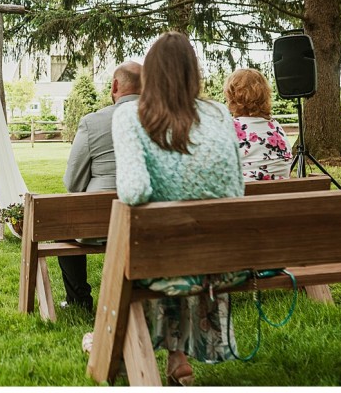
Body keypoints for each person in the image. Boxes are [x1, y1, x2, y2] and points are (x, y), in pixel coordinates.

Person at [109, 32, 244, 386]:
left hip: (164, 261)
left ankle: (119, 352)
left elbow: (134, 191)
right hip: (225, 263)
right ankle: (177, 357)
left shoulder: (131, 116)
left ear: (150, 74)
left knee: (141, 249)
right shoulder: (219, 114)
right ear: (193, 73)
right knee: (177, 243)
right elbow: (236, 188)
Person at [58, 61, 141, 314]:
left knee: (61, 225)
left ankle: (79, 300)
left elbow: (73, 182)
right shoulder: (165, 118)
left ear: (115, 85)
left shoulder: (93, 122)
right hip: (152, 221)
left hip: (100, 224)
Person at [223, 68, 292, 180]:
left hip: (243, 196)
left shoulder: (228, 128)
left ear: (232, 96)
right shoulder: (276, 127)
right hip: (279, 195)